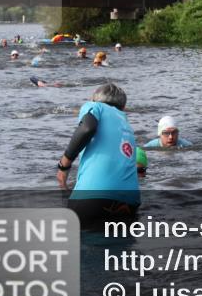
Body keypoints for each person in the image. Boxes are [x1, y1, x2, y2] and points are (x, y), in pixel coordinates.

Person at [56, 83, 140, 227]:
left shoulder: (95, 107)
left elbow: (87, 128)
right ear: (123, 107)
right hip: (130, 202)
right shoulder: (126, 123)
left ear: (94, 99)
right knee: (117, 247)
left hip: (93, 197)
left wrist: (64, 165)